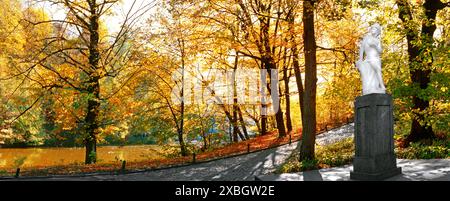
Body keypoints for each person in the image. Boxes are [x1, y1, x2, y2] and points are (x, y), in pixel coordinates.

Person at [356, 23, 386, 95]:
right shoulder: (367, 38)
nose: (373, 30)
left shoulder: (377, 40)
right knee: (377, 70)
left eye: (375, 29)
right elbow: (362, 48)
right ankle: (382, 86)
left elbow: (380, 51)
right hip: (369, 58)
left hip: (376, 59)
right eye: (372, 28)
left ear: (378, 31)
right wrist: (360, 59)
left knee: (377, 71)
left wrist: (375, 46)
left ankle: (379, 87)